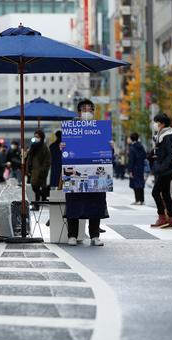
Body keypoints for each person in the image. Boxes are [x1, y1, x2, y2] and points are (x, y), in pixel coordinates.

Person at [62, 99, 108, 246]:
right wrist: (62, 147)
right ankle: (72, 235)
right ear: (79, 112)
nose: (87, 112)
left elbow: (105, 151)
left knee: (96, 202)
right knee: (74, 202)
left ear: (94, 112)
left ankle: (95, 235)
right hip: (76, 172)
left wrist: (110, 146)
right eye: (84, 109)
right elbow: (65, 153)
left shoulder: (101, 129)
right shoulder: (71, 129)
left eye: (90, 109)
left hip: (96, 171)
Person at [150, 113, 172, 228]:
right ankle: (171, 219)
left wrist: (162, 166)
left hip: (166, 170)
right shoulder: (162, 135)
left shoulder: (166, 136)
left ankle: (162, 217)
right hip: (166, 169)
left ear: (162, 124)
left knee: (155, 192)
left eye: (157, 122)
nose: (155, 124)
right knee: (165, 194)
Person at [26, 129, 51, 211]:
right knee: (34, 187)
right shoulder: (33, 146)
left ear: (41, 137)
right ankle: (43, 198)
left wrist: (43, 170)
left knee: (36, 186)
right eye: (35, 136)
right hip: (33, 170)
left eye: (37, 136)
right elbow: (29, 158)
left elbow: (47, 160)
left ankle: (37, 204)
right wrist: (28, 169)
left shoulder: (44, 147)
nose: (36, 138)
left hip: (41, 172)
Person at [127, 132, 146, 205]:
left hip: (134, 168)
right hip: (141, 167)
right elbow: (144, 155)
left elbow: (131, 160)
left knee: (135, 184)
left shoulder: (132, 148)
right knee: (141, 184)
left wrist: (130, 170)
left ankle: (137, 200)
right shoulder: (141, 146)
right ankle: (142, 200)